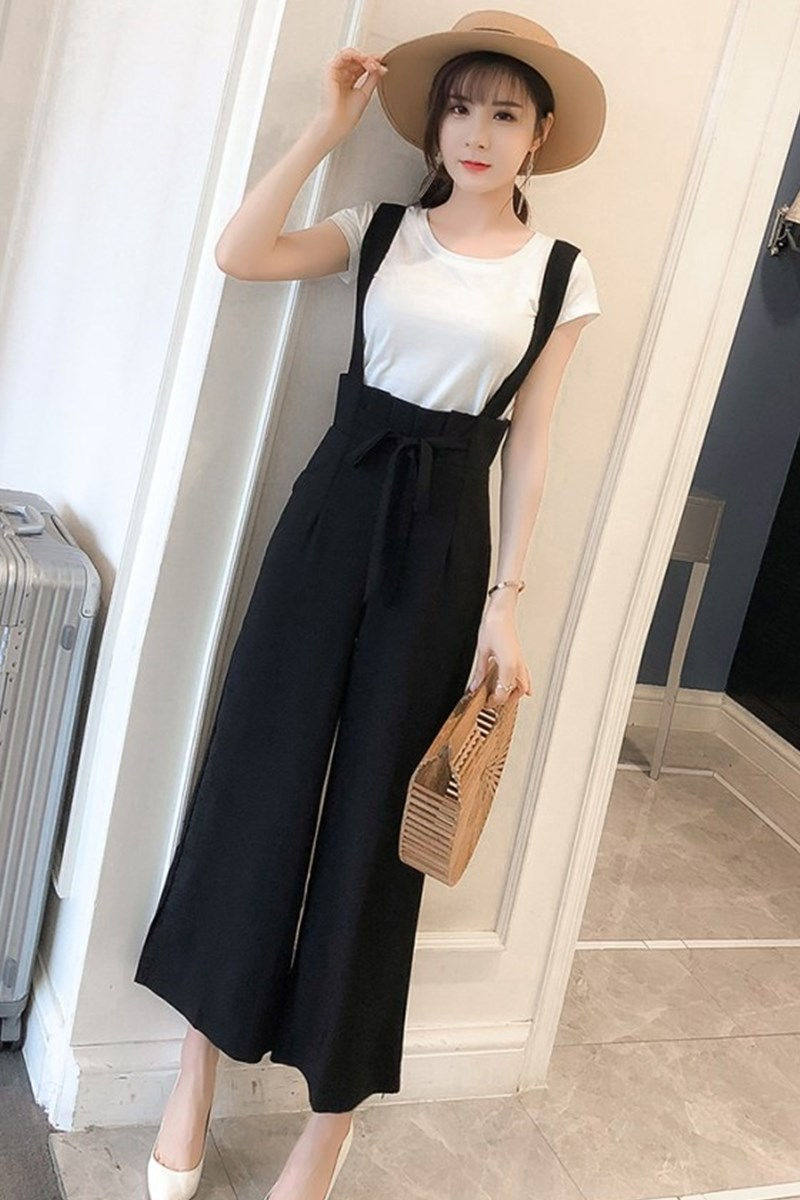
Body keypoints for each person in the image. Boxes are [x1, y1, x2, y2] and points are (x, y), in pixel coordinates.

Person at [134, 12, 606, 1200]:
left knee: (374, 832)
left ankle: (329, 1117)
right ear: (434, 125)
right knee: (259, 774)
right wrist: (324, 127)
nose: (476, 131)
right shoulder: (377, 230)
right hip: (331, 513)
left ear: (539, 134)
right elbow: (240, 253)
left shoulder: (560, 276)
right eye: (459, 107)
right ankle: (194, 1062)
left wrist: (504, 601)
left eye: (504, 112)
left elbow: (529, 445)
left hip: (446, 543)